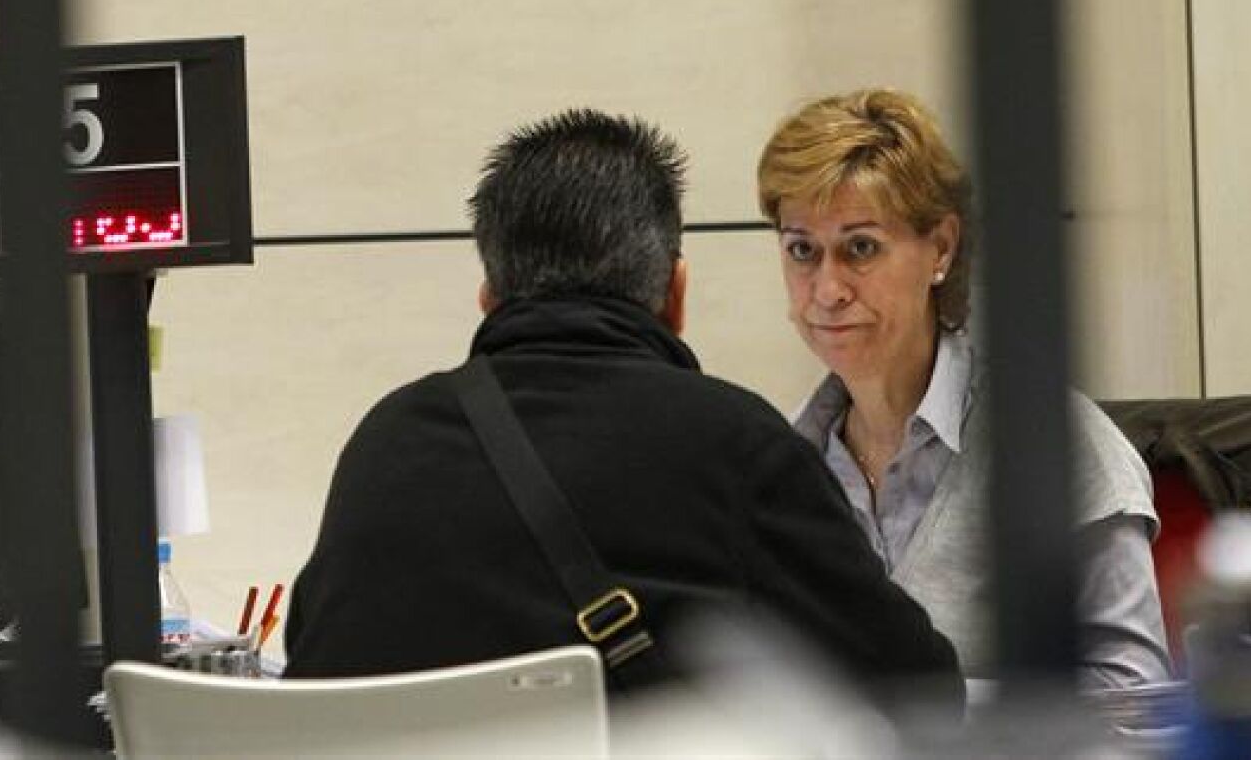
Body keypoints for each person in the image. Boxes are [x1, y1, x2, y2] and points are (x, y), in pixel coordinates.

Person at [284, 109, 961, 706]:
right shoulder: (733, 447)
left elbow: (312, 677)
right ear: (675, 294)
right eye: (802, 251)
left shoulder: (384, 440)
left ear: (489, 299)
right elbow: (917, 690)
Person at [755, 88, 1172, 688]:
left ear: (941, 249)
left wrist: (936, 708)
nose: (827, 289)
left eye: (861, 248)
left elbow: (1134, 699)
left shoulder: (1054, 443)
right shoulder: (782, 464)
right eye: (802, 251)